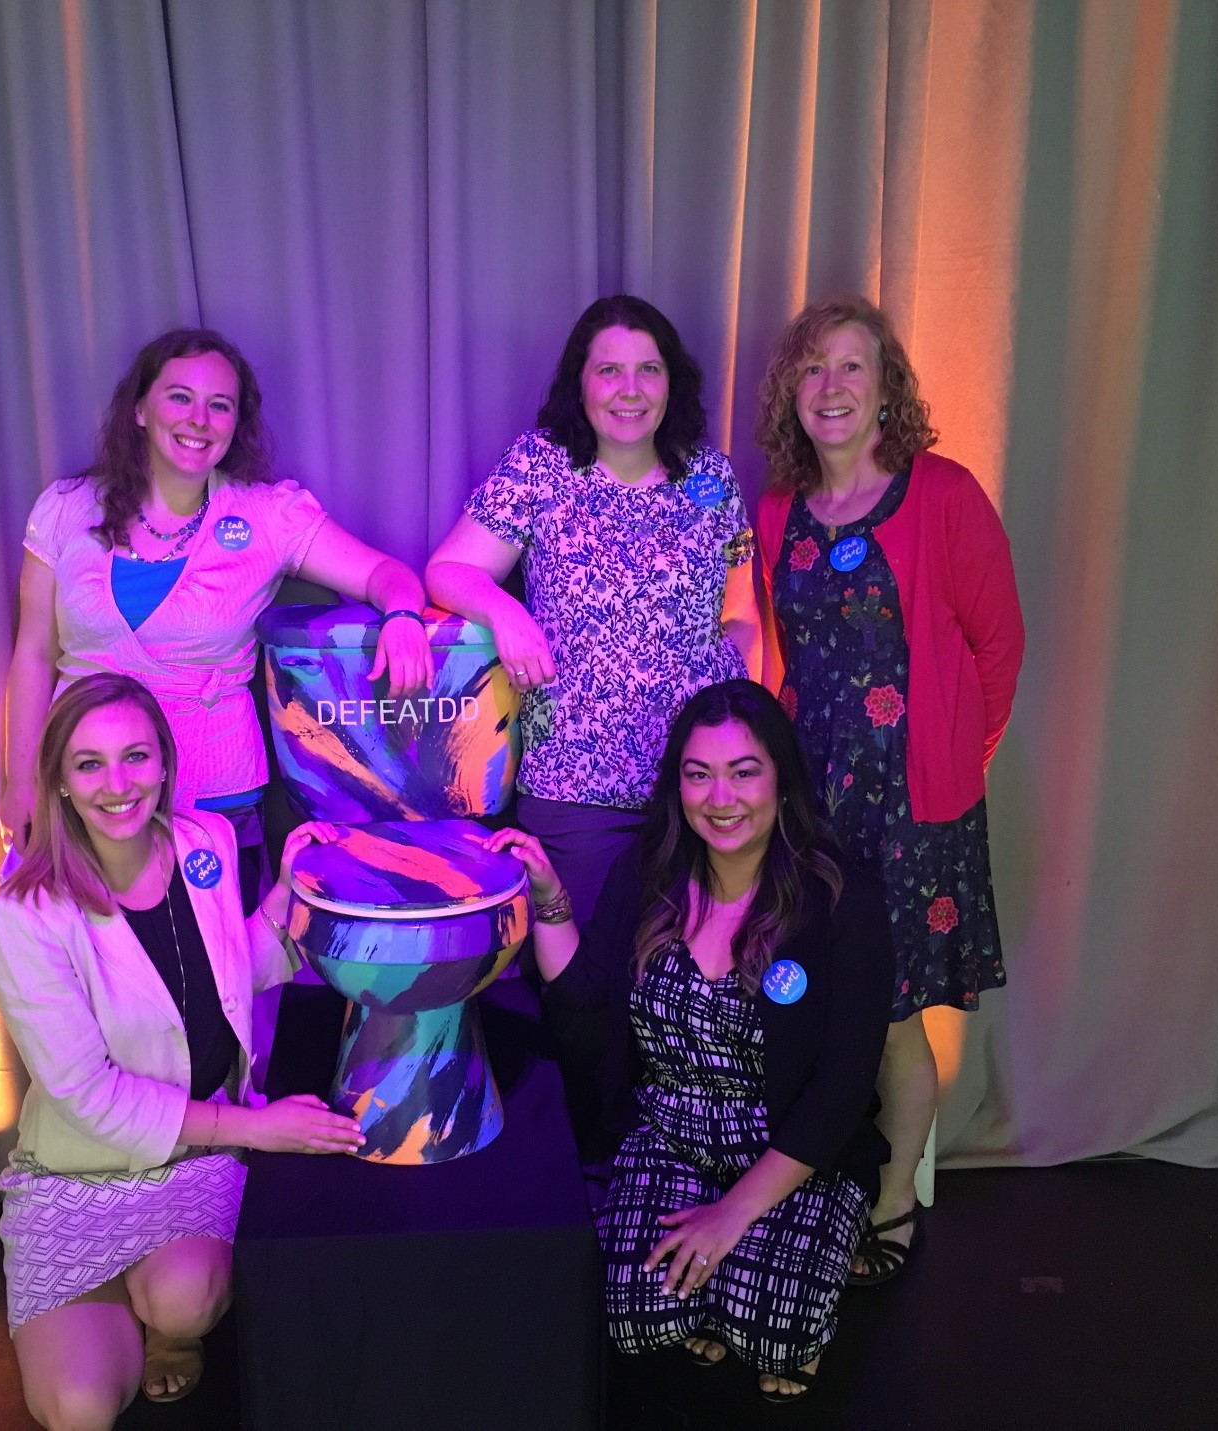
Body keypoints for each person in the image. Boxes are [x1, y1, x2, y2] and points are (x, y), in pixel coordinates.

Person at [489, 680, 892, 1404]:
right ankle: (717, 1294)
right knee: (631, 1317)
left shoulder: (841, 900)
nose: (720, 797)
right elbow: (583, 1020)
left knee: (775, 1329)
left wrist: (731, 1212)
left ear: (781, 779)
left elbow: (842, 1087)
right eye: (698, 773)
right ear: (676, 784)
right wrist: (548, 895)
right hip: (669, 1136)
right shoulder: (647, 877)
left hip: (790, 1149)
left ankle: (759, 1289)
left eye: (744, 771)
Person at [0, 673, 363, 1428]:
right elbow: (89, 1094)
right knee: (79, 1408)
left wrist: (293, 892)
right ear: (57, 779)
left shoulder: (206, 844)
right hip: (74, 1176)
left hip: (190, 1159)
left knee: (185, 1300)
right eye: (89, 763)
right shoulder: (25, 912)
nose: (118, 784)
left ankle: (164, 1327)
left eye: (136, 756)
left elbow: (234, 972)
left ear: (165, 762)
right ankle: (109, 1306)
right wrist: (259, 1127)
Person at [753, 295, 1025, 1283]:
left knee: (893, 1015)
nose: (831, 387)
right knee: (815, 1004)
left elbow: (999, 646)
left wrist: (957, 755)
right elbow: (778, 657)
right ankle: (818, 1182)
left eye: (852, 368)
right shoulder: (778, 511)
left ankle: (896, 1200)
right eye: (813, 369)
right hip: (811, 804)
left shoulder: (943, 495)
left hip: (914, 811)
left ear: (886, 392)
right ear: (793, 390)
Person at [0, 327, 434, 913]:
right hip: (85, 788)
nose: (199, 419)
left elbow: (388, 575)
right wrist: (20, 781)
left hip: (212, 793)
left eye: (219, 405)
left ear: (235, 425)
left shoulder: (268, 514)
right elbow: (32, 653)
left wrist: (405, 616)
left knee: (213, 981)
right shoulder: (66, 507)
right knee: (87, 976)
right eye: (180, 397)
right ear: (139, 409)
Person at [425, 295, 757, 927]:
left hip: (697, 790)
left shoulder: (710, 477)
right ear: (580, 383)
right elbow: (449, 570)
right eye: (609, 370)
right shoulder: (542, 465)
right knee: (581, 990)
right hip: (576, 789)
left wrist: (740, 735)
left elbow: (740, 613)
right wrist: (507, 612)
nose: (629, 390)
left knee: (686, 979)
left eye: (648, 370)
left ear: (671, 382)